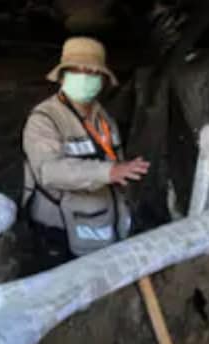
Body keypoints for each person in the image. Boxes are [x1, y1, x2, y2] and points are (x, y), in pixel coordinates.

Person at [22, 37, 150, 263]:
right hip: (59, 229)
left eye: (92, 72)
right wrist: (109, 172)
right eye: (77, 70)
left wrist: (125, 175)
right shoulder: (44, 119)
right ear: (63, 76)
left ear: (102, 80)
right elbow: (50, 171)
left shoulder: (104, 118)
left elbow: (113, 159)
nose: (85, 77)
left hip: (102, 221)